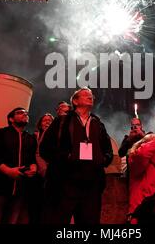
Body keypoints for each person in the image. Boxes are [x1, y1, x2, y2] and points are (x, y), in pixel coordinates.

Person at [40, 88, 113, 224]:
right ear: (75, 101)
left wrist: (103, 160)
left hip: (92, 184)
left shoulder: (98, 123)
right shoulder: (62, 121)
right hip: (65, 183)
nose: (90, 96)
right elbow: (45, 148)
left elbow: (107, 149)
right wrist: (66, 158)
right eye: (85, 95)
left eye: (91, 95)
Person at [0, 107, 37, 224]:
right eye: (20, 113)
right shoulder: (0, 133)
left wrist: (33, 167)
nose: (25, 114)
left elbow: (33, 158)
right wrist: (7, 170)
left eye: (26, 113)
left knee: (12, 220)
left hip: (21, 188)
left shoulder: (31, 138)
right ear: (11, 119)